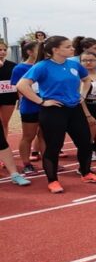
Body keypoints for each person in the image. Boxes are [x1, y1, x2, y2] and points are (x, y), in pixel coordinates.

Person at [16, 36, 96, 193]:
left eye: (71, 46)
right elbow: (22, 85)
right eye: (68, 47)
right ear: (55, 50)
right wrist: (41, 101)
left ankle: (86, 173)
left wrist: (82, 95)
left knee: (85, 143)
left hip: (74, 109)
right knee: (54, 147)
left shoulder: (74, 64)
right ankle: (53, 181)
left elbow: (86, 80)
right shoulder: (42, 66)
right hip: (53, 111)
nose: (72, 49)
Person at [11, 42, 45, 176]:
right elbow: (19, 89)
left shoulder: (45, 66)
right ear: (30, 52)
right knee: (28, 136)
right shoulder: (20, 68)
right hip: (30, 107)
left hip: (46, 106)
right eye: (39, 50)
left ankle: (47, 161)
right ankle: (26, 163)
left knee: (44, 135)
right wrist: (23, 104)